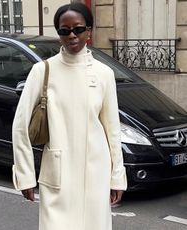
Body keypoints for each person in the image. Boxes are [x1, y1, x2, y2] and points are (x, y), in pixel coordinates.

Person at [12, 2, 127, 230]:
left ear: (89, 31)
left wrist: (117, 178)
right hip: (58, 173)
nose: (72, 35)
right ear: (59, 35)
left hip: (96, 172)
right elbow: (20, 126)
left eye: (78, 29)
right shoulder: (43, 71)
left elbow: (113, 131)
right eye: (64, 31)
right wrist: (25, 175)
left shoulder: (104, 74)